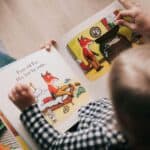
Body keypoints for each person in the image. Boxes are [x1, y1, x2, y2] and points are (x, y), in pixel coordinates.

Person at [8, 0, 150, 149]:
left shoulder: (108, 135)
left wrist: (29, 110)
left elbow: (55, 145)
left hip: (71, 127)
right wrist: (55, 58)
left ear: (121, 114)